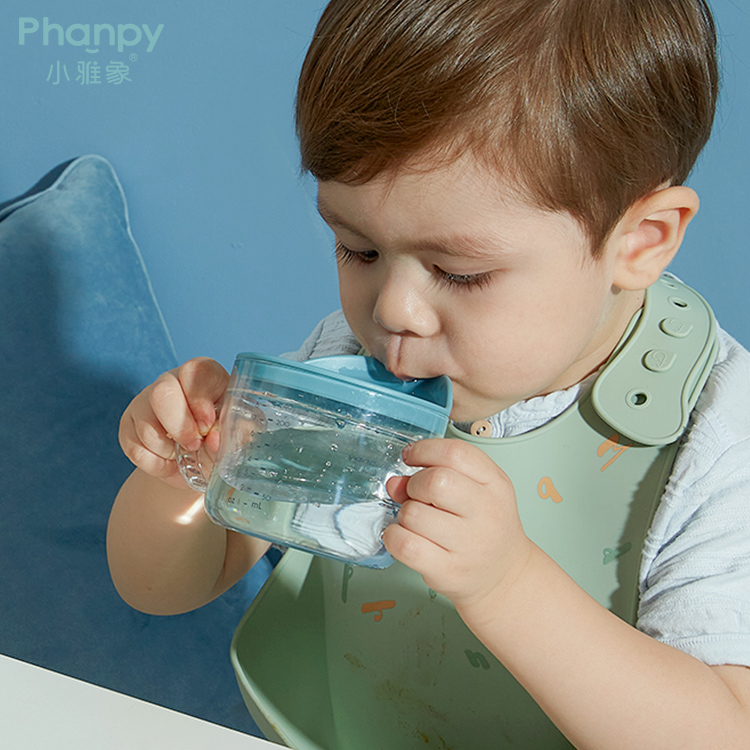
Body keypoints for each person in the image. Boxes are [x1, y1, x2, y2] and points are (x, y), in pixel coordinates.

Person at [107, 0, 750, 747]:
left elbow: (721, 731)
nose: (394, 311)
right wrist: (186, 466)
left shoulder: (717, 432)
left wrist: (507, 584)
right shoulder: (353, 363)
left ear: (641, 239)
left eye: (461, 272)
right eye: (359, 250)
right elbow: (162, 586)